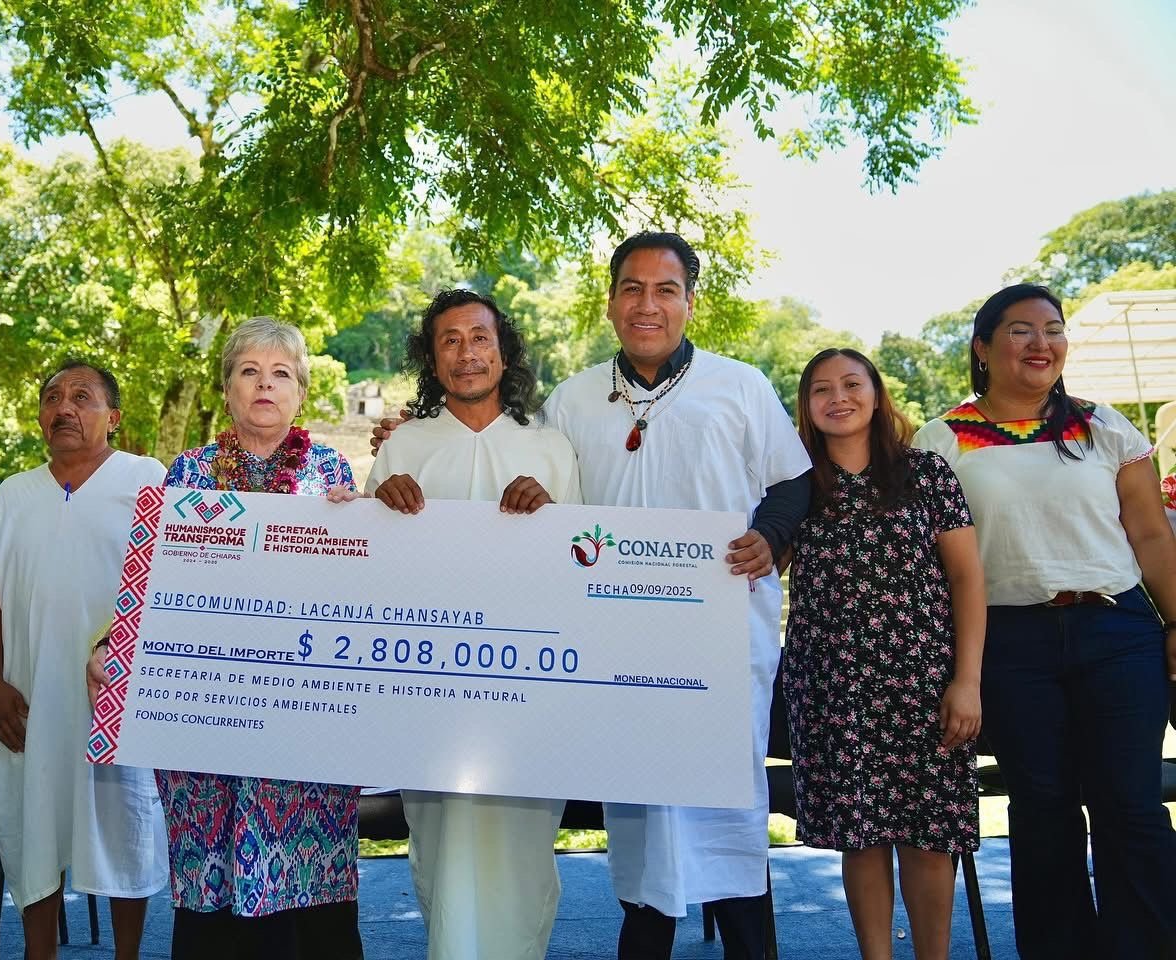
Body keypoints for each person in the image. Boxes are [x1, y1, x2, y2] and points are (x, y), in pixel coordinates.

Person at [374, 232, 813, 959]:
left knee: (730, 830)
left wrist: (770, 534)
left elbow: (792, 480)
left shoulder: (740, 385)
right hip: (616, 656)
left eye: (665, 290)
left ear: (688, 301)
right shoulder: (573, 402)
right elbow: (515, 474)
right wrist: (405, 439)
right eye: (632, 289)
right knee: (641, 838)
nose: (648, 304)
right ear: (611, 303)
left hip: (719, 645)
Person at [913, 284, 1176, 959]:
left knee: (1132, 810)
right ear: (982, 347)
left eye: (1053, 330)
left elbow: (1150, 537)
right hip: (1009, 645)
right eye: (1021, 330)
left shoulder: (1105, 425)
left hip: (1117, 633)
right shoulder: (942, 441)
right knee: (1045, 813)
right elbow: (928, 565)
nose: (1041, 343)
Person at [90, 316, 363, 960]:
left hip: (304, 714)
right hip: (206, 715)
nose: (265, 385)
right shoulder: (185, 475)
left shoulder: (334, 478)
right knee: (211, 886)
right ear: (228, 387)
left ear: (300, 391)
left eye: (281, 374)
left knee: (308, 882)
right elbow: (151, 583)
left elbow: (360, 588)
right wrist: (112, 646)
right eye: (249, 371)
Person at [362, 288, 581, 960]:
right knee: (444, 849)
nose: (466, 353)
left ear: (503, 349)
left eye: (479, 337)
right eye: (449, 340)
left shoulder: (550, 450)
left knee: (519, 857)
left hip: (526, 699)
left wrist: (551, 519)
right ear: (432, 357)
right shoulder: (404, 448)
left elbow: (581, 576)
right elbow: (367, 575)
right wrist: (379, 503)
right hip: (432, 699)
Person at [784, 348, 985, 959]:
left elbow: (967, 579)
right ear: (806, 405)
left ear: (876, 394)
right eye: (822, 389)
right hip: (832, 688)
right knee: (861, 837)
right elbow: (756, 560)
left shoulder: (926, 473)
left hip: (924, 682)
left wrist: (967, 680)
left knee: (930, 838)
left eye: (851, 384)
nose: (838, 398)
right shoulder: (793, 486)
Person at [0, 359, 168, 960]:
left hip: (118, 695)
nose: (64, 408)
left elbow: (171, 581)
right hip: (28, 696)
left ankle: (127, 954)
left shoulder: (147, 478)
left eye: (82, 397)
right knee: (34, 827)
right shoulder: (14, 491)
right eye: (53, 397)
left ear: (112, 417)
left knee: (121, 825)